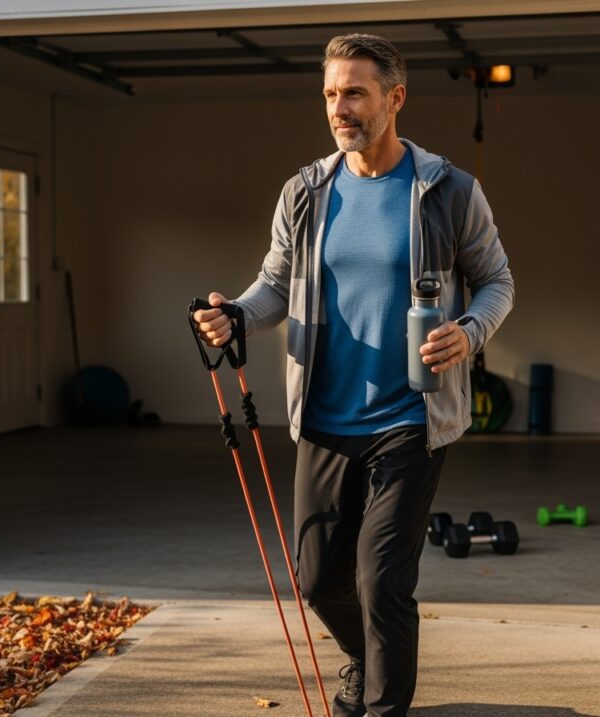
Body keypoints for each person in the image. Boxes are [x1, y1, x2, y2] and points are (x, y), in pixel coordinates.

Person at [194, 33, 514, 717]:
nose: (340, 107)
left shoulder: (448, 190)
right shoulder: (306, 192)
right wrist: (236, 317)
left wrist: (469, 331)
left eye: (356, 93)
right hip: (326, 419)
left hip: (409, 418)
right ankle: (365, 660)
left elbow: (496, 281)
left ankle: (379, 706)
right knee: (317, 582)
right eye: (332, 94)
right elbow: (274, 284)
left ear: (395, 98)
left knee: (382, 582)